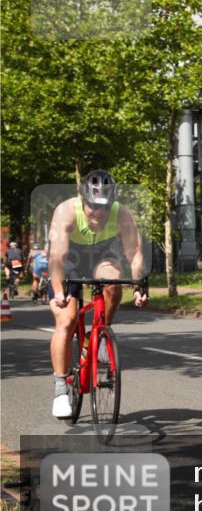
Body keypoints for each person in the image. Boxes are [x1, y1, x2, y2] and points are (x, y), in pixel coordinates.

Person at [48, 170, 148, 418]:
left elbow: (133, 252)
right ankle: (61, 389)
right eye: (93, 206)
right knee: (67, 320)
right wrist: (59, 291)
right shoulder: (66, 211)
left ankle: (102, 332)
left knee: (113, 283)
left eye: (104, 206)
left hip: (103, 254)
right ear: (83, 200)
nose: (98, 213)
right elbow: (58, 256)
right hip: (70, 259)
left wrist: (138, 286)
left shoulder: (122, 213)